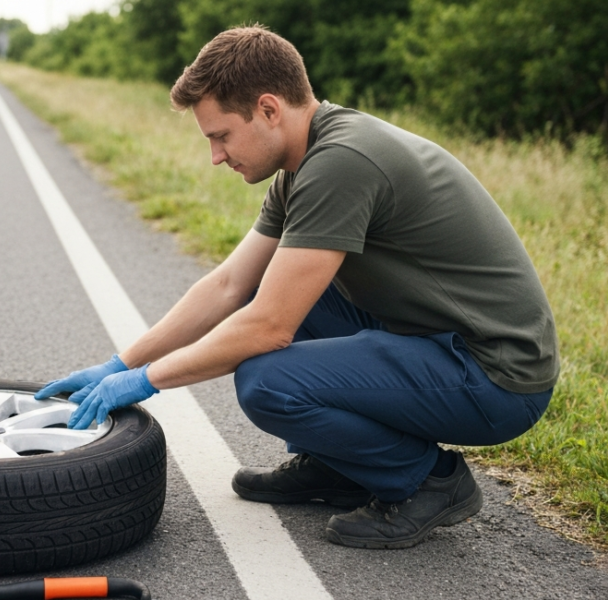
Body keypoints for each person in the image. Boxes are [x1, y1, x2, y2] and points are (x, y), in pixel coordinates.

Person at [35, 26, 558, 549]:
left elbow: (268, 326)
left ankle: (430, 480)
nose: (216, 156)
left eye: (221, 136)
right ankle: (341, 466)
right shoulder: (305, 161)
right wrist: (119, 365)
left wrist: (148, 380)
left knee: (267, 380)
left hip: (496, 376)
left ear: (268, 109)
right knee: (274, 283)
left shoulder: (341, 163)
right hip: (439, 340)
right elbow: (228, 285)